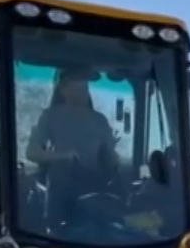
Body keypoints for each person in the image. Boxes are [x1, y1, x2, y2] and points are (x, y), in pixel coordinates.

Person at [24, 67, 125, 229]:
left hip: (94, 185)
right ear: (63, 90)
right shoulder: (51, 116)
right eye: (76, 87)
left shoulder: (99, 120)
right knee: (57, 229)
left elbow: (111, 155)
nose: (82, 92)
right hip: (60, 187)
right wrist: (63, 156)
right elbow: (31, 153)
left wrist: (117, 162)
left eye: (84, 87)